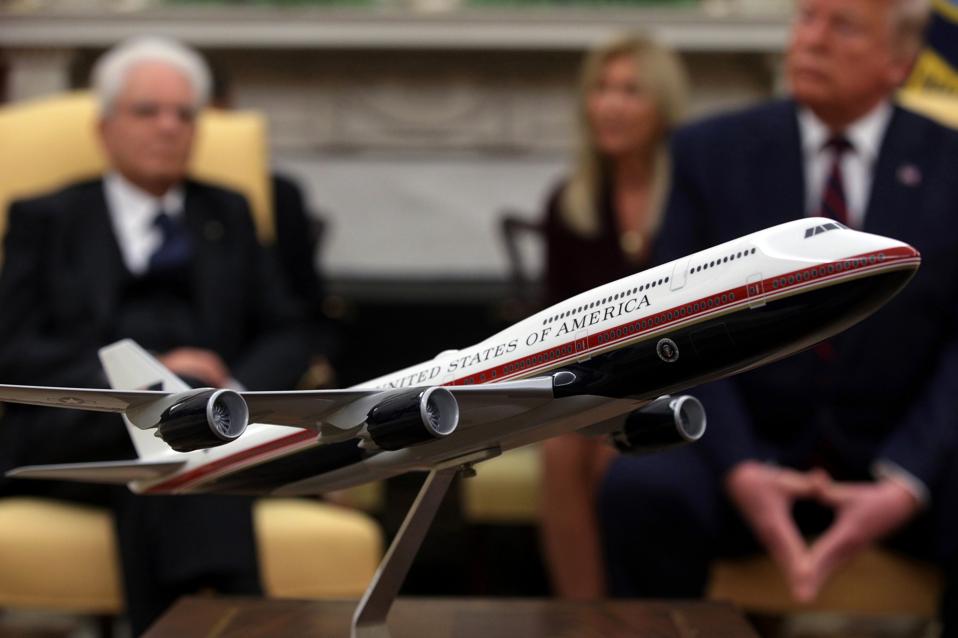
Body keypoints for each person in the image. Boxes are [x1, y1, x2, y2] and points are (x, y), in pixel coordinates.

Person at [597, 0, 958, 631]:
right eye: (806, 18)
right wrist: (743, 468)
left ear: (900, 62)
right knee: (641, 490)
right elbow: (676, 328)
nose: (811, 40)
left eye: (842, 26)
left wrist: (906, 481)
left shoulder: (949, 164)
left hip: (899, 456)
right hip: (744, 449)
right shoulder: (710, 152)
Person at [0, 37, 312, 633]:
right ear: (104, 128)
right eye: (147, 111)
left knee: (174, 449)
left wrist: (231, 394)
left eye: (184, 114)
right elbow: (13, 348)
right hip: (82, 423)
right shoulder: (47, 218)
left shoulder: (229, 213)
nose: (168, 127)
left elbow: (289, 330)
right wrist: (147, 375)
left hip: (216, 422)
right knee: (179, 431)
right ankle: (238, 616)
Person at [537, 33, 689, 599]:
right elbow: (552, 320)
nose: (609, 105)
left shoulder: (693, 194)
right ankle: (586, 618)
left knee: (618, 451)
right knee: (564, 447)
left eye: (629, 91)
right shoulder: (569, 203)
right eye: (600, 89)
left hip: (686, 376)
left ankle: (636, 615)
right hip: (595, 384)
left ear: (663, 104)